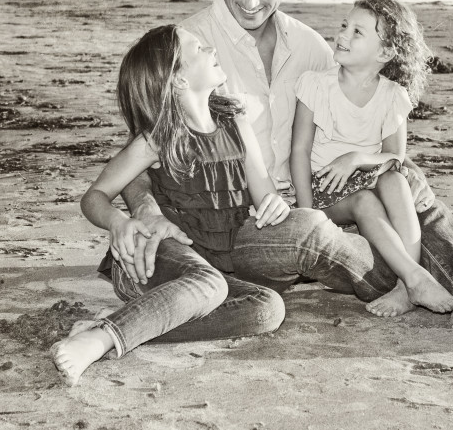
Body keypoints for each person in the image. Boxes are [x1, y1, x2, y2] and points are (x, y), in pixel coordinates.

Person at [109, 0, 453, 348]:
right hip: (246, 220)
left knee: (404, 177)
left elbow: (359, 121)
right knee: (318, 233)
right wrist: (146, 211)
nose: (250, 1)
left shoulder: (310, 47)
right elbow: (143, 152)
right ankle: (440, 280)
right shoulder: (188, 47)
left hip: (316, 193)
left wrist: (364, 169)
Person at [52, 25, 292, 386]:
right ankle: (102, 339)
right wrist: (119, 223)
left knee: (267, 308)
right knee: (210, 285)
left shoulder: (234, 122)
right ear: (178, 80)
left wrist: (275, 204)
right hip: (153, 259)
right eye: (198, 47)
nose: (210, 47)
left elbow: (265, 192)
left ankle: (130, 321)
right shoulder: (157, 139)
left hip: (207, 268)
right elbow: (94, 196)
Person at [291, 0, 453, 318]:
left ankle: (405, 287)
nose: (342, 35)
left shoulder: (392, 96)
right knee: (365, 201)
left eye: (357, 32)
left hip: (364, 175)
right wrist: (308, 216)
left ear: (385, 53)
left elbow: (395, 156)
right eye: (344, 26)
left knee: (395, 179)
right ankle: (415, 277)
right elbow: (299, 152)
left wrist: (356, 157)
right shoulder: (315, 86)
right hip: (325, 190)